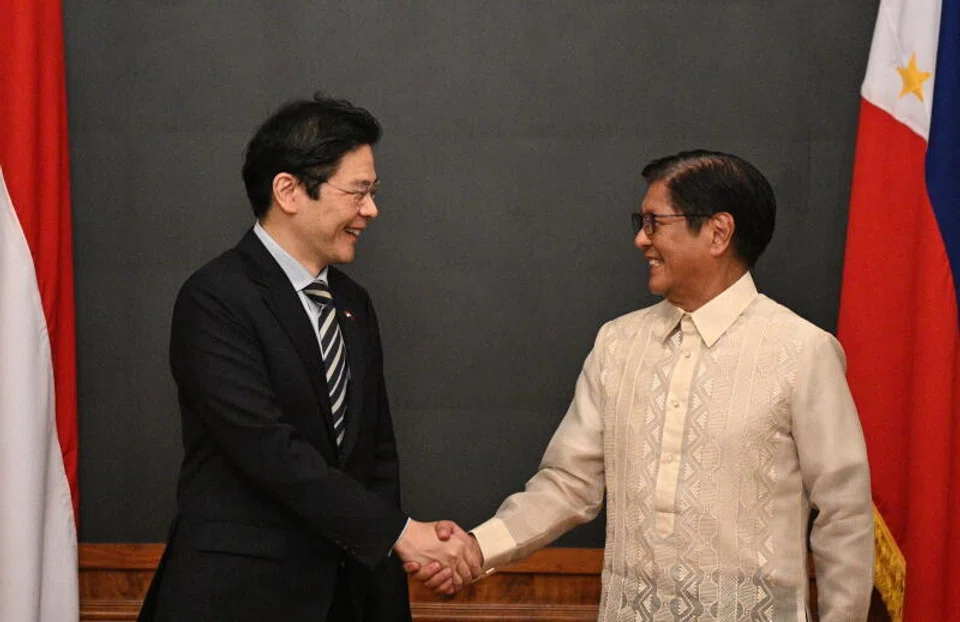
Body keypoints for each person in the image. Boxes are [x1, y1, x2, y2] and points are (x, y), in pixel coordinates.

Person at [410, 150, 874, 621]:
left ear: (718, 232)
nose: (640, 240)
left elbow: (845, 513)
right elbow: (569, 484)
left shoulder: (801, 351)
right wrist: (475, 548)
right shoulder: (618, 343)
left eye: (654, 223)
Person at [138, 94, 479, 622]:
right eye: (358, 192)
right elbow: (267, 448)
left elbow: (377, 456)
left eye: (373, 193)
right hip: (238, 597)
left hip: (349, 594)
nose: (371, 210)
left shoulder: (352, 303)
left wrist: (396, 551)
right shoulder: (215, 297)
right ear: (288, 190)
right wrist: (399, 533)